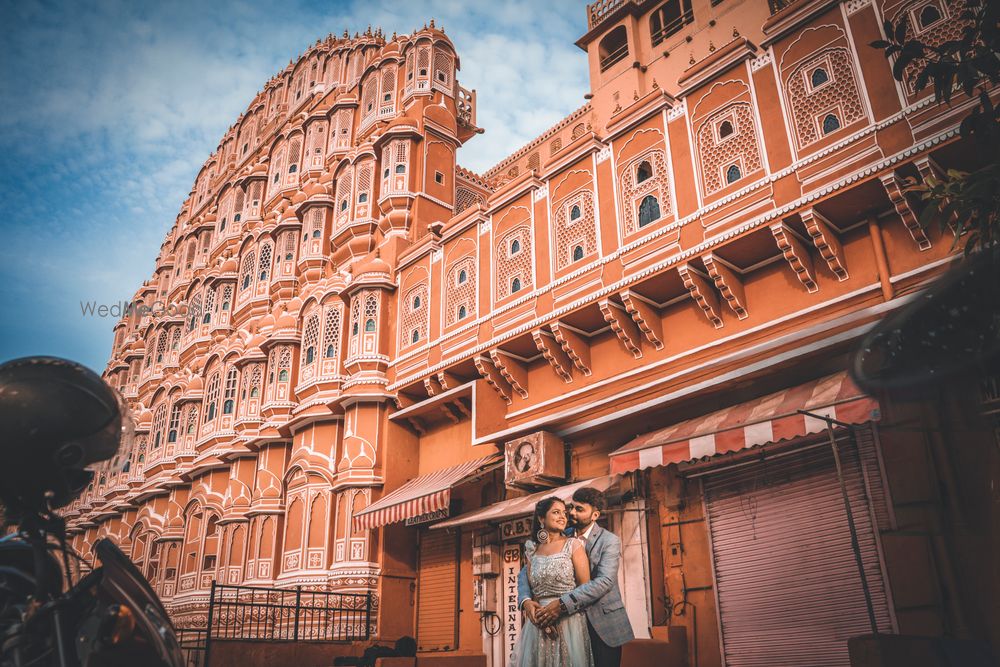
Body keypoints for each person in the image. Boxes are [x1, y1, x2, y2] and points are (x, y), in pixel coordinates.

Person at [522, 488, 633, 667]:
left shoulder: (609, 541)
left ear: (595, 514)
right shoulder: (559, 536)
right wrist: (526, 600)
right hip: (565, 624)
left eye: (579, 509)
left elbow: (604, 582)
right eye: (571, 508)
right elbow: (526, 573)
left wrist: (562, 604)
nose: (571, 513)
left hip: (602, 624)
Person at [511, 497, 593, 667]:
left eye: (564, 513)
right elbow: (526, 584)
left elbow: (585, 589)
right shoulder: (533, 551)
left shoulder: (573, 545)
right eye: (556, 512)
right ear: (541, 518)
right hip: (539, 625)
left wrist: (561, 608)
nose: (563, 516)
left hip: (568, 621)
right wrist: (528, 605)